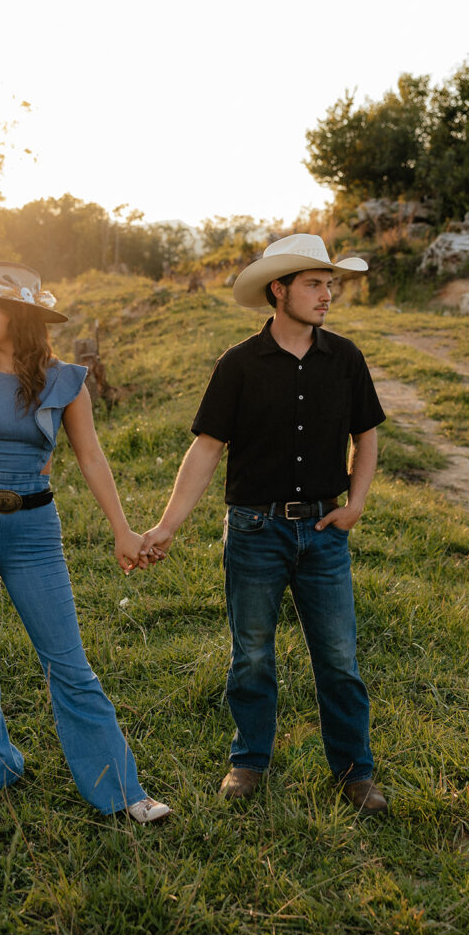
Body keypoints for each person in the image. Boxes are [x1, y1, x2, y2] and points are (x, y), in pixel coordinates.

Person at [140, 234, 388, 813]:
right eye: (314, 284)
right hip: (254, 529)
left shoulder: (345, 357)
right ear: (280, 291)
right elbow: (206, 450)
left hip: (325, 533)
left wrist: (355, 502)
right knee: (251, 654)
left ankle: (355, 773)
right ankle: (249, 762)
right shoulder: (239, 364)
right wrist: (168, 524)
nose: (327, 295)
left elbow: (367, 435)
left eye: (330, 284)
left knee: (339, 658)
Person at [0, 261, 169, 822]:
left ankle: (122, 790)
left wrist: (123, 530)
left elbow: (91, 457)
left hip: (35, 533)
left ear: (19, 317)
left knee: (68, 662)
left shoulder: (66, 382)